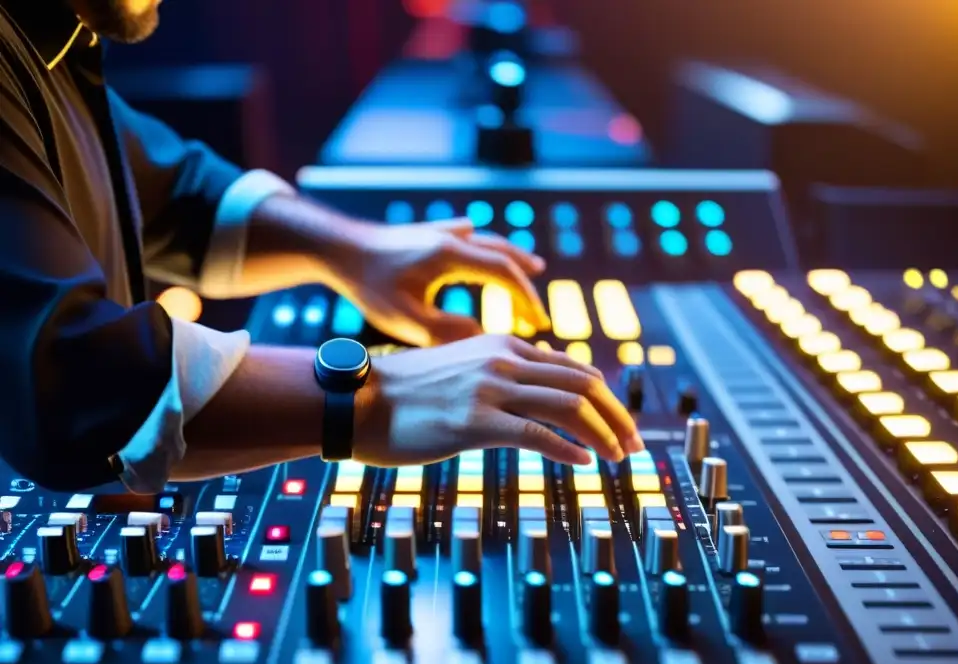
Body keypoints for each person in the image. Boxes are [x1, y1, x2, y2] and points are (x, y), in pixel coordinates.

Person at [0, 0, 643, 494]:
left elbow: (175, 193)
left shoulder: (48, 29)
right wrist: (376, 395)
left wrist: (357, 250)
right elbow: (67, 376)